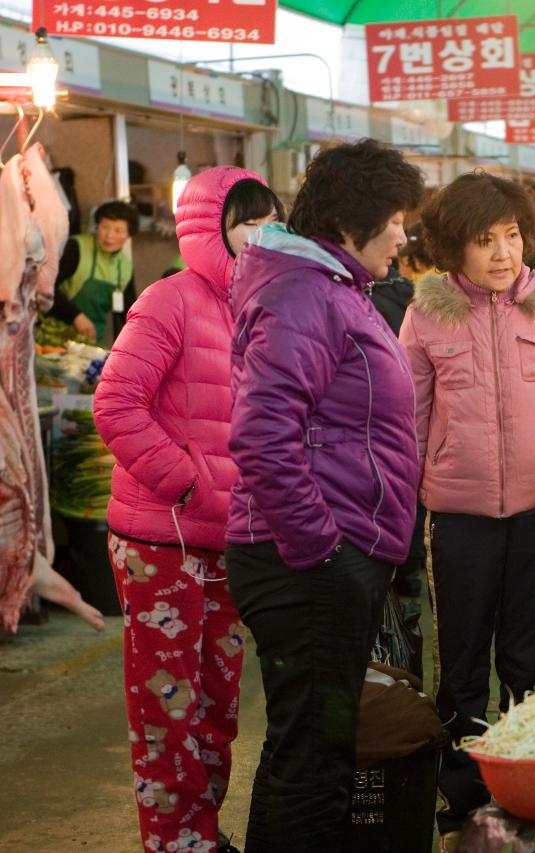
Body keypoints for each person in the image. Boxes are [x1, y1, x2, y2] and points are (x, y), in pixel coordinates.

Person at [224, 139, 424, 853]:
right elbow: (261, 433)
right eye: (396, 217)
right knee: (317, 759)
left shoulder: (332, 288)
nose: (404, 234)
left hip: (319, 557)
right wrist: (324, 551)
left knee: (301, 748)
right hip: (303, 562)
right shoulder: (305, 293)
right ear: (353, 219)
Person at [400, 172, 535, 845]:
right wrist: (398, 512)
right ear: (451, 247)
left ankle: (529, 791)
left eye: (511, 235)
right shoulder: (427, 311)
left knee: (528, 660)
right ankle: (462, 800)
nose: (501, 253)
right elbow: (410, 416)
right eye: (483, 240)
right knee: (461, 663)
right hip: (456, 517)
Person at [93, 167, 282, 853]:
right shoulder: (170, 299)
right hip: (161, 539)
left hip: (232, 540)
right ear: (210, 228)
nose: (259, 235)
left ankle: (201, 832)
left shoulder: (265, 307)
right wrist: (187, 482)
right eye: (244, 221)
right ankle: (173, 841)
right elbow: (115, 404)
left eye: (268, 220)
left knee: (218, 705)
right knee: (166, 707)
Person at [368, 220, 436, 601]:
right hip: (403, 407)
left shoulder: (375, 296)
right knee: (408, 484)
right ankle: (408, 564)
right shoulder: (409, 295)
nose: (398, 236)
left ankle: (399, 564)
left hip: (379, 411)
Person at [49, 199, 140, 344]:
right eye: (105, 227)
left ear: (129, 235)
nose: (109, 236)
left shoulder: (125, 266)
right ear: (97, 226)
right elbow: (47, 287)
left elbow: (127, 311)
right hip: (54, 333)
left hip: (92, 340)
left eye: (118, 230)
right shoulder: (76, 247)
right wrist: (76, 316)